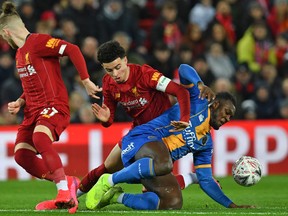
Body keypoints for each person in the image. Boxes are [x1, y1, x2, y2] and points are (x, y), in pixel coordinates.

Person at [88, 64, 255, 210]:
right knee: (164, 163)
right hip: (141, 139)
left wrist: (231, 205)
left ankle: (115, 197)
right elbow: (183, 68)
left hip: (153, 164)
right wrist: (200, 84)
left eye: (231, 117)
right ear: (216, 104)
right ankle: (108, 180)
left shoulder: (205, 143)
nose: (227, 119)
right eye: (227, 112)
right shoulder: (199, 100)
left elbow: (206, 180)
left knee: (172, 202)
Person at [82, 40, 216, 206]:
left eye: (118, 67)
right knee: (109, 165)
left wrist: (185, 119)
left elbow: (180, 91)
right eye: (109, 70)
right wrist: (106, 120)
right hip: (138, 133)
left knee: (159, 194)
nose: (115, 74)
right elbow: (109, 118)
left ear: (125, 60)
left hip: (161, 136)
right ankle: (73, 196)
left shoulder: (146, 75)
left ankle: (114, 193)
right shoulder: (108, 83)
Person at [0, 1, 101, 213]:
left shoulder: (38, 42)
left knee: (39, 137)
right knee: (21, 155)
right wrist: (20, 101)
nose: (3, 40)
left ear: (6, 31)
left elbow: (72, 49)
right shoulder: (20, 53)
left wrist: (85, 80)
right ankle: (68, 181)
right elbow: (32, 83)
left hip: (53, 105)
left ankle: (63, 191)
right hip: (32, 111)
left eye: (2, 35)